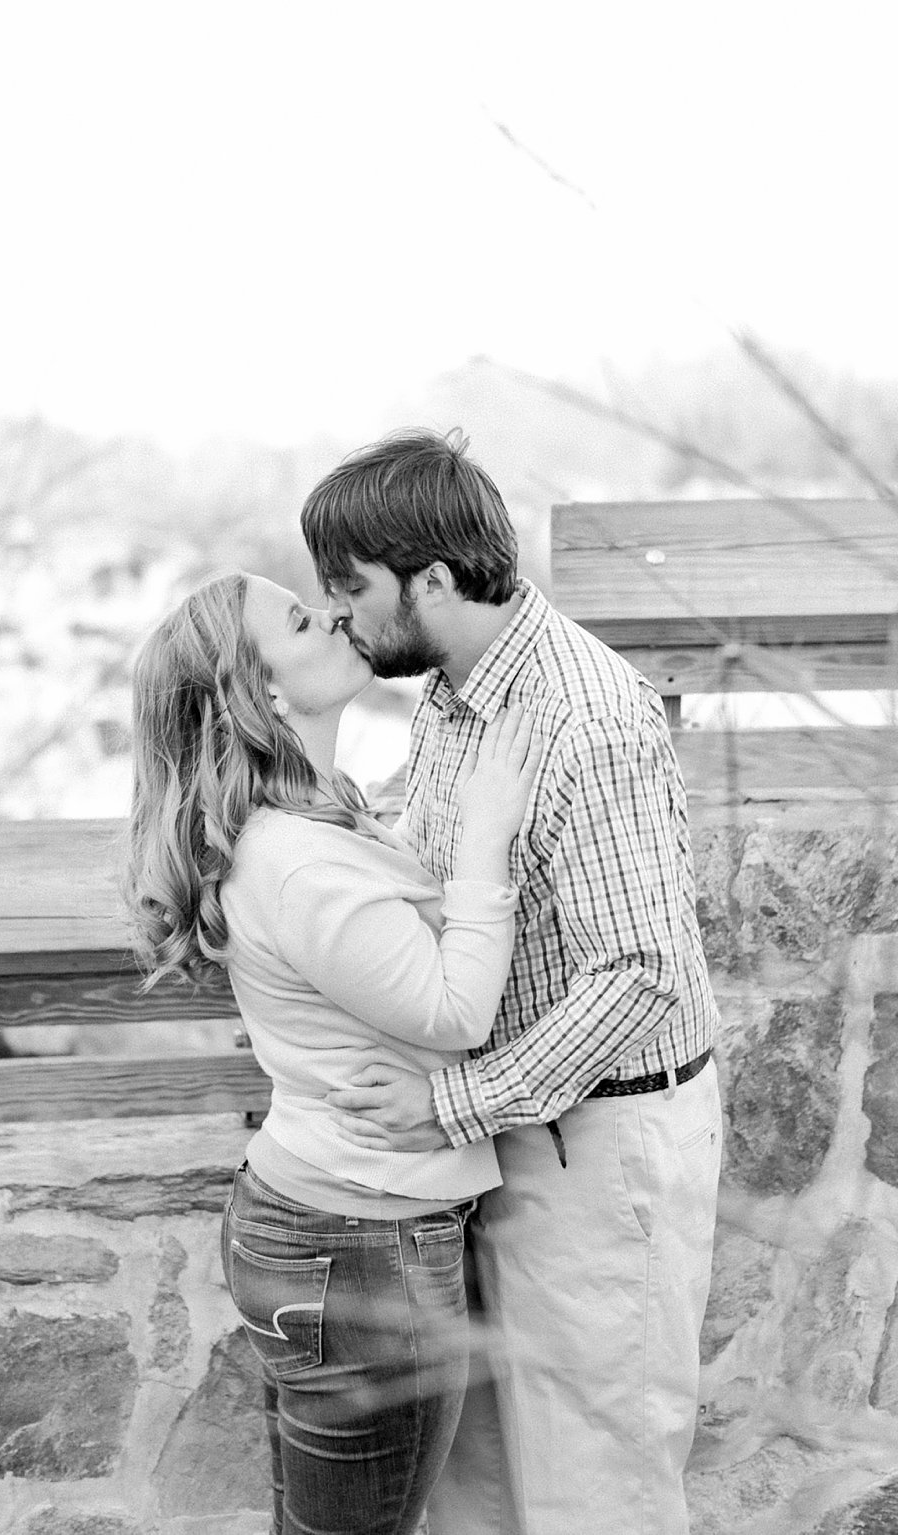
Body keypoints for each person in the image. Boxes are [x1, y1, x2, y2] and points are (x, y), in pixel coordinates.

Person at [305, 429, 723, 1535]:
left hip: (596, 1146)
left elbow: (639, 970)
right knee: (475, 1486)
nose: (338, 614)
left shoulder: (580, 714)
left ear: (431, 578)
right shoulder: (455, 690)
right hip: (503, 1137)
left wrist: (448, 1103)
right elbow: (433, 841)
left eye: (349, 589)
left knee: (599, 1486)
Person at [124, 571, 539, 1535]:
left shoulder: (314, 810)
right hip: (359, 1254)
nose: (338, 615)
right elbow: (453, 1008)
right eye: (303, 621)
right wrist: (485, 837)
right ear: (261, 692)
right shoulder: (295, 860)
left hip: (332, 1230)